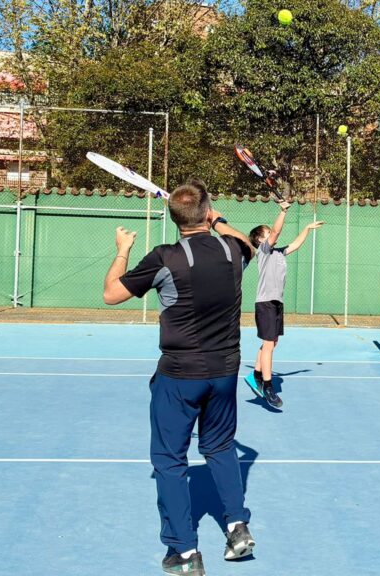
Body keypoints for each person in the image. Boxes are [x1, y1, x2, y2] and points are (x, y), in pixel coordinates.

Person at [103, 180, 257, 576]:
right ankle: (238, 528)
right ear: (207, 213)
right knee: (220, 447)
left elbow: (111, 294)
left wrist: (122, 250)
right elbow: (249, 243)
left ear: (174, 219)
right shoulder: (231, 250)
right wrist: (218, 219)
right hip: (224, 372)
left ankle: (185, 554)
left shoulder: (165, 257)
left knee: (170, 461)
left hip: (180, 376)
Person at [244, 202, 324, 408]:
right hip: (266, 303)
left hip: (276, 303)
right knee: (269, 345)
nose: (271, 233)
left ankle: (255, 375)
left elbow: (295, 244)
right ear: (261, 239)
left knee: (272, 342)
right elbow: (276, 231)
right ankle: (267, 386)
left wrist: (307, 228)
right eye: (267, 232)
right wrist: (283, 211)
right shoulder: (264, 251)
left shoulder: (278, 253)